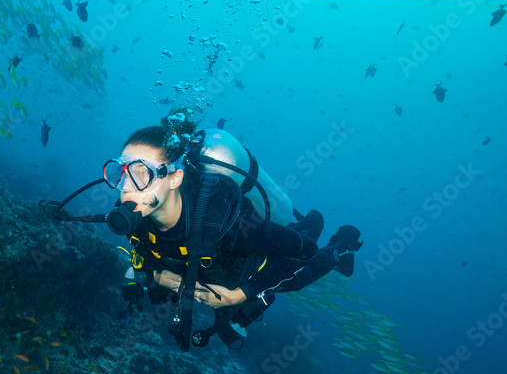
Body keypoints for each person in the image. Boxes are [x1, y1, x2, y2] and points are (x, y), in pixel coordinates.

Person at [103, 116, 363, 351]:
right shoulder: (133, 216)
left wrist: (241, 293)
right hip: (207, 269)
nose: (125, 188)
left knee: (296, 278)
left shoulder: (227, 225)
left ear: (175, 178)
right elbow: (143, 256)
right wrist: (154, 274)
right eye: (119, 174)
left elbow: (305, 250)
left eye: (140, 173)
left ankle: (341, 247)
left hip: (253, 263)